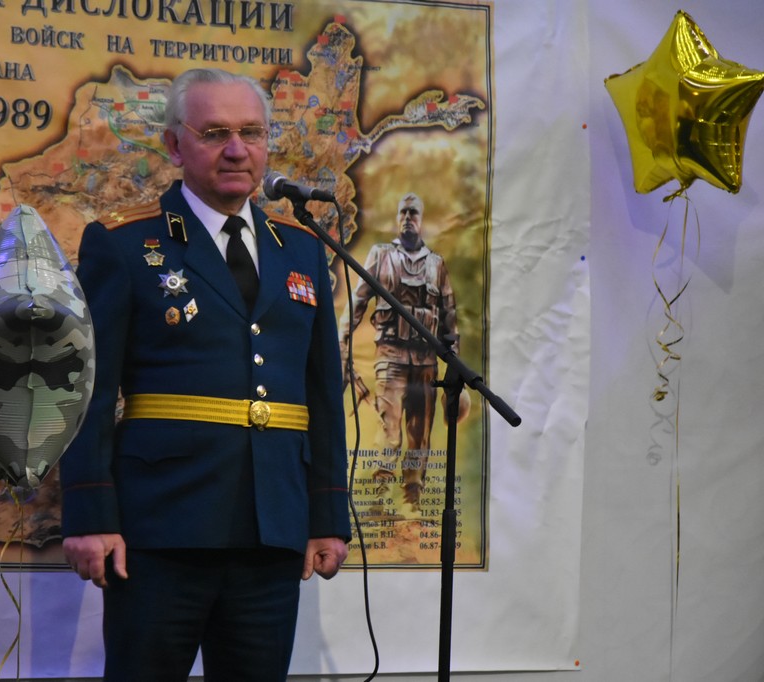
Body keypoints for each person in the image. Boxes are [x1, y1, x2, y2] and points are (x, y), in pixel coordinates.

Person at [59, 67, 351, 682]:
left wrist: (327, 517)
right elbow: (86, 389)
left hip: (272, 531)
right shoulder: (124, 244)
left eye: (252, 133)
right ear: (174, 145)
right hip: (161, 528)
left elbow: (323, 394)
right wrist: (90, 516)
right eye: (215, 133)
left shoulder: (301, 248)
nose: (237, 149)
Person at [338, 192, 469, 515]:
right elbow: (357, 302)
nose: (408, 218)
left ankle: (413, 500)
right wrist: (341, 345)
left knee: (419, 435)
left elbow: (449, 319)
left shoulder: (436, 265)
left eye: (413, 213)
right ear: (398, 218)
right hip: (391, 357)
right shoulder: (381, 256)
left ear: (421, 219)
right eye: (403, 212)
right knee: (390, 430)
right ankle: (380, 496)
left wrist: (457, 374)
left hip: (426, 363)